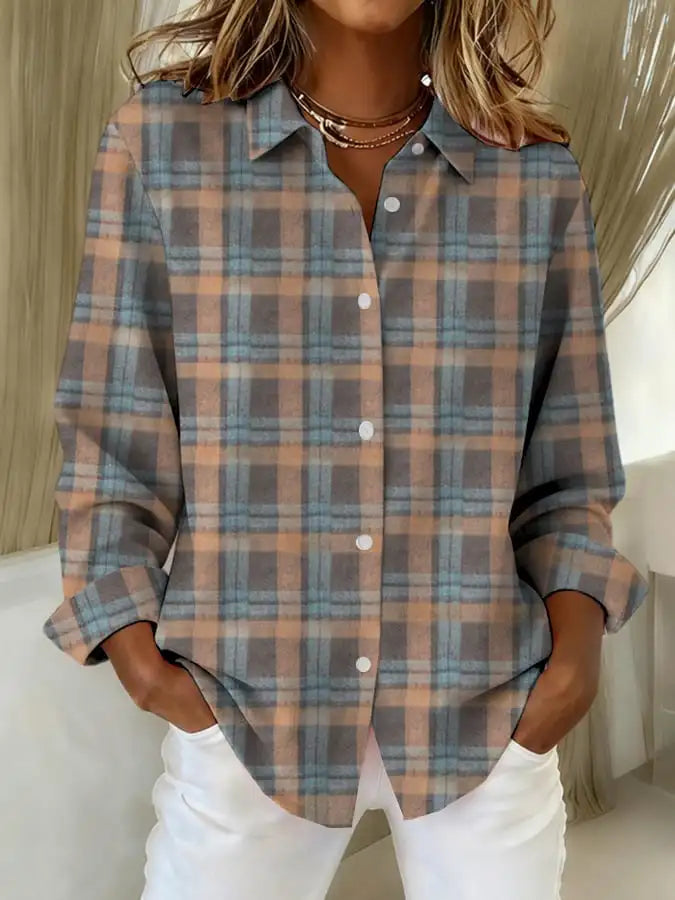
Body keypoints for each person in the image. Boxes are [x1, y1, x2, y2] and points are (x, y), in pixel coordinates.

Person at [42, 1, 649, 898]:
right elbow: (113, 432)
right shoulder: (162, 146)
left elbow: (567, 466)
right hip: (244, 714)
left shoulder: (531, 177)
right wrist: (139, 656)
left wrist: (572, 665)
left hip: (486, 713)